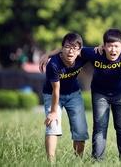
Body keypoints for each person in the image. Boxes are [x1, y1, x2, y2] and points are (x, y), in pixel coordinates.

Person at [40, 28, 121, 161]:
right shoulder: (94, 53)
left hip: (120, 93)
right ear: (103, 46)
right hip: (100, 94)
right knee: (99, 127)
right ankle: (97, 160)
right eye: (109, 46)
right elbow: (72, 48)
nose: (113, 50)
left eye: (116, 46)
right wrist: (49, 54)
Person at [42, 32, 88, 162]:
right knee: (52, 125)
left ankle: (78, 161)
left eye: (75, 48)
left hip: (74, 94)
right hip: (52, 95)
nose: (71, 51)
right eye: (67, 47)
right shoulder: (53, 64)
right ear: (62, 48)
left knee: (80, 130)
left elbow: (99, 49)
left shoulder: (83, 55)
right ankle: (50, 162)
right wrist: (52, 112)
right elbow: (56, 90)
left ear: (80, 51)